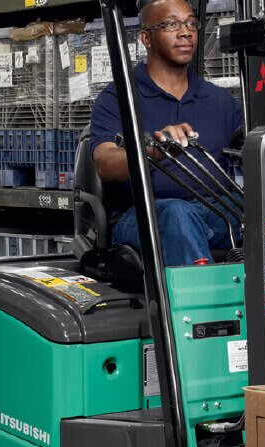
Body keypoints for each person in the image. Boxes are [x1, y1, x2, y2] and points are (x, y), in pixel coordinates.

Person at [89, 0, 244, 267]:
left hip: (214, 210)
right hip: (142, 214)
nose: (185, 32)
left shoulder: (221, 100)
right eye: (172, 24)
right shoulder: (119, 97)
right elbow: (105, 163)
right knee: (177, 214)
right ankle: (199, 306)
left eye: (190, 23)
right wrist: (154, 150)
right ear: (146, 38)